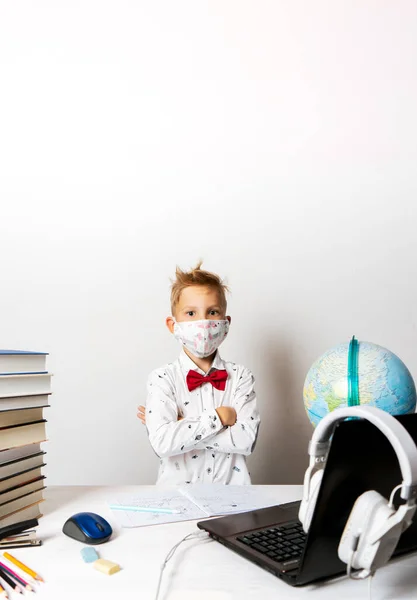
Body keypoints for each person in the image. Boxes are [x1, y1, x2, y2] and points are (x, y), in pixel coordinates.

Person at [137, 262, 260, 485]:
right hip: (176, 500)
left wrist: (184, 425)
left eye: (212, 312)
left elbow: (246, 440)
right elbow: (162, 444)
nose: (203, 322)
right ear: (172, 324)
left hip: (234, 501)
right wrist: (219, 418)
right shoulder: (162, 378)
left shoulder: (241, 377)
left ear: (225, 323)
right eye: (191, 313)